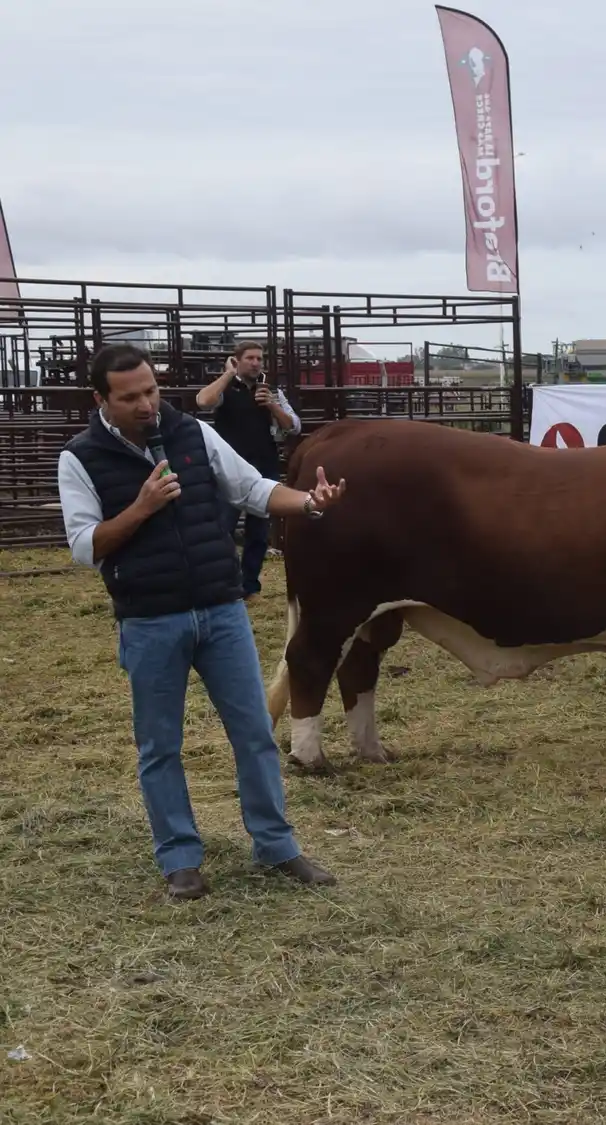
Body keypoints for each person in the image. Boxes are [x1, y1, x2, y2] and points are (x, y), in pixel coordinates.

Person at [57, 343, 348, 901]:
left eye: (151, 390)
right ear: (101, 399)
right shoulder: (80, 457)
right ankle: (180, 859)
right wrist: (141, 507)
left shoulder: (190, 432)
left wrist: (309, 503)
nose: (147, 404)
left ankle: (277, 846)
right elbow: (84, 547)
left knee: (255, 734)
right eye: (130, 397)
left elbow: (252, 489)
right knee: (160, 746)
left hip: (220, 610)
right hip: (148, 621)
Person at [195, 340, 300, 600]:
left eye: (259, 359)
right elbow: (203, 401)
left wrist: (272, 405)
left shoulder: (271, 390)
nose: (255, 363)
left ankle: (249, 586)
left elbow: (294, 426)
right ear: (237, 360)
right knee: (223, 528)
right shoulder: (226, 387)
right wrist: (228, 374)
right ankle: (223, 584)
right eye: (250, 358)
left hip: (264, 466)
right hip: (227, 468)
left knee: (259, 532)